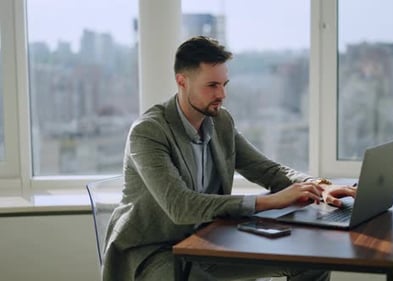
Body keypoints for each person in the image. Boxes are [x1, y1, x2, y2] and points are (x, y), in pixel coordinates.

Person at [102, 36, 357, 281]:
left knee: (310, 263)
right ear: (182, 81)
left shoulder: (221, 121)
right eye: (212, 85)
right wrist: (269, 202)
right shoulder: (149, 131)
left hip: (206, 241)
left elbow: (267, 170)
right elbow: (180, 206)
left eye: (224, 84)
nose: (222, 95)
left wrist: (320, 186)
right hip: (153, 252)